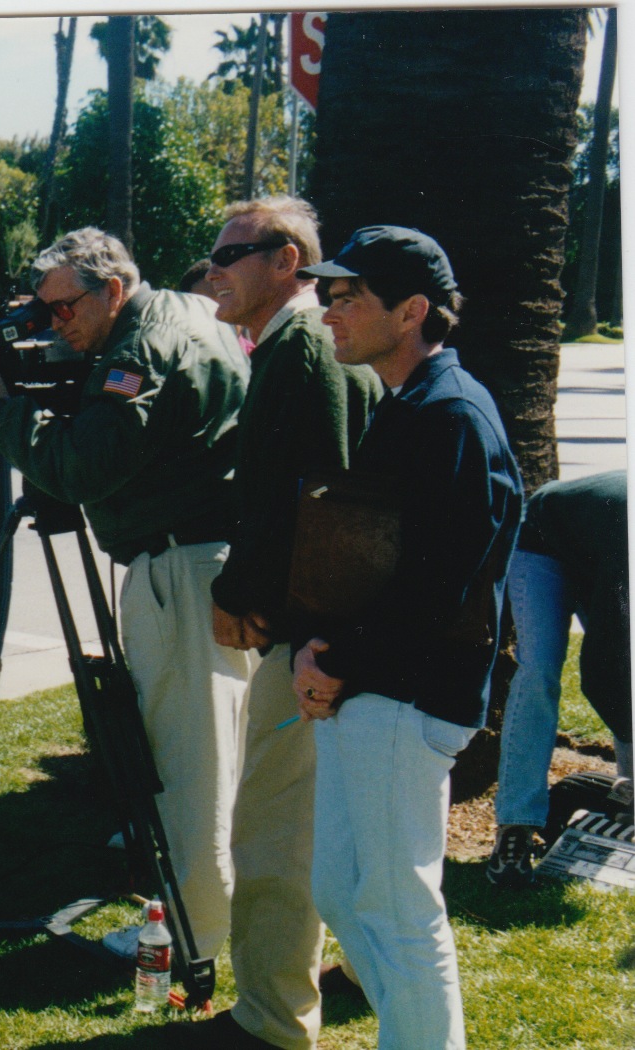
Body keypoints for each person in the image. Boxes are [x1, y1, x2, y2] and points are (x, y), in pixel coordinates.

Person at [0, 227, 251, 966]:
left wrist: (3, 408)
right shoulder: (187, 312)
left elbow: (82, 468)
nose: (56, 324)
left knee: (189, 770)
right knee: (218, 762)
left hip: (179, 568)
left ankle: (189, 941)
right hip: (203, 556)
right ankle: (219, 923)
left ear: (112, 290)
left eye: (63, 309)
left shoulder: (138, 350)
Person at [291, 226, 521, 1050]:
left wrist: (335, 663)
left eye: (347, 296)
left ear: (413, 310)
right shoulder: (414, 405)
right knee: (343, 892)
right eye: (326, 295)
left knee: (397, 909)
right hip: (370, 690)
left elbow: (437, 586)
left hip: (407, 698)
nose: (328, 312)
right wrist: (315, 655)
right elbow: (367, 562)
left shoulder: (450, 415)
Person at [183, 198, 384, 1050]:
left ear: (287, 260)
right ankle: (349, 980)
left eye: (233, 252)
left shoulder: (300, 343)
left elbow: (296, 492)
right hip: (335, 631)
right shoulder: (326, 344)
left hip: (309, 640)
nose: (215, 269)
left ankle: (268, 1021)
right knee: (337, 830)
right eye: (215, 253)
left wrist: (241, 595)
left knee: (270, 832)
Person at [489, 470, 632, 887]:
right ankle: (514, 829)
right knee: (540, 672)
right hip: (541, 542)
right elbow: (607, 668)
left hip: (595, 546)